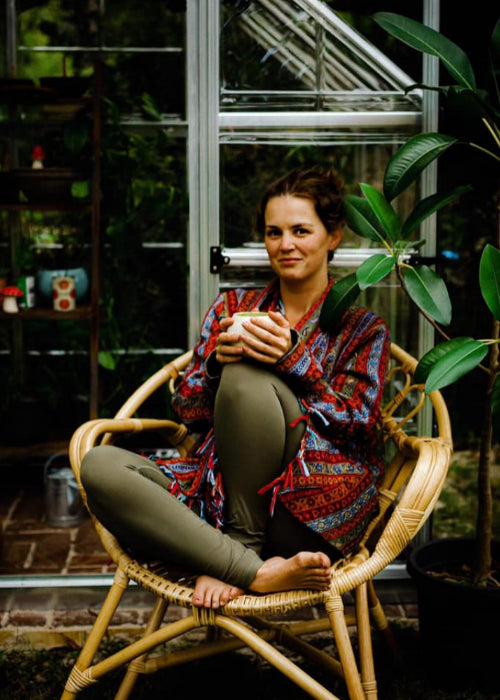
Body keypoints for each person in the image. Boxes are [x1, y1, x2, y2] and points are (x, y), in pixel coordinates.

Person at [81, 166, 391, 610]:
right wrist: (213, 368)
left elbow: (361, 426)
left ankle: (237, 546)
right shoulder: (233, 307)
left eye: (301, 230)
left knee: (247, 371)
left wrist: (296, 362)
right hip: (218, 495)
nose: (285, 244)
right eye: (273, 232)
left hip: (309, 512)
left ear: (334, 236)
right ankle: (253, 570)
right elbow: (186, 411)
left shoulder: (361, 328)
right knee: (100, 468)